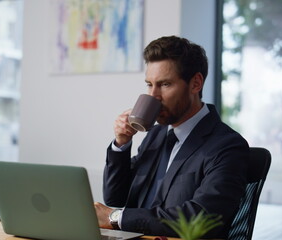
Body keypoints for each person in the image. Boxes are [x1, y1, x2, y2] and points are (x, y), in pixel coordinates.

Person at [94, 35, 249, 239]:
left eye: (165, 84)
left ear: (195, 84)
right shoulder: (156, 135)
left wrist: (115, 217)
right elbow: (116, 197)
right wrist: (121, 145)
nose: (153, 96)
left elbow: (199, 220)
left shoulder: (227, 146)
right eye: (149, 84)